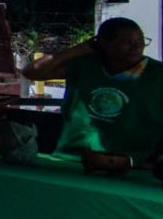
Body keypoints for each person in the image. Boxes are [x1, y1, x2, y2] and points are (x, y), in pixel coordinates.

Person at [22, 17, 163, 175]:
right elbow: (32, 72)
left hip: (130, 167)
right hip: (70, 160)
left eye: (141, 40)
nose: (137, 46)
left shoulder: (157, 74)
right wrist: (80, 49)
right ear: (103, 43)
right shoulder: (85, 65)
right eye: (127, 41)